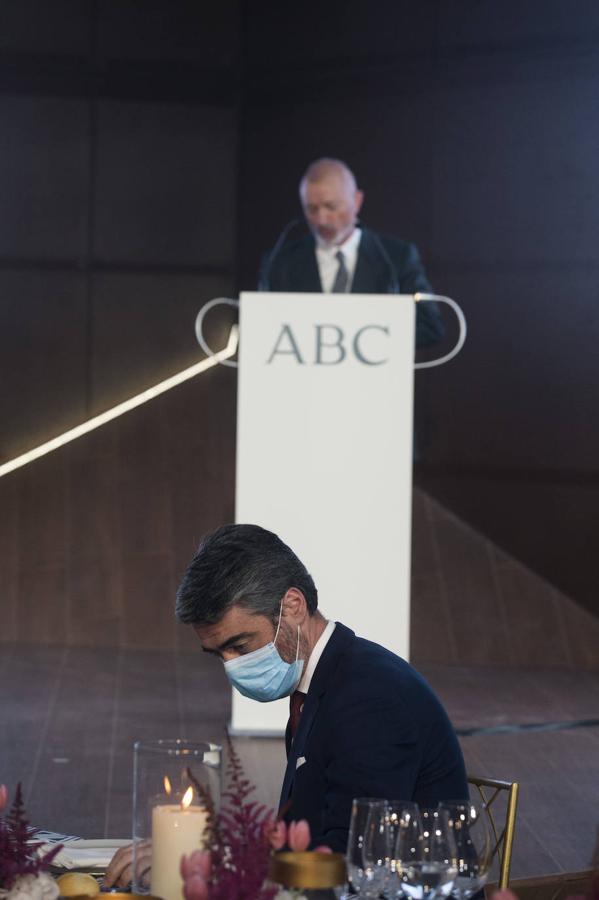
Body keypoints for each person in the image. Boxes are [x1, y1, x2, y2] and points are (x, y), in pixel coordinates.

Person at [175, 523, 467, 852]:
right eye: (219, 655)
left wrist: (214, 864)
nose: (231, 666)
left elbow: (355, 856)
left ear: (293, 607)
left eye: (240, 646)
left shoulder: (370, 698)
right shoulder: (324, 686)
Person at [259, 157, 444, 348]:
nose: (321, 219)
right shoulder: (281, 262)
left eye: (331, 206)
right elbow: (260, 329)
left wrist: (367, 338)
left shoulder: (396, 257)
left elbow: (429, 327)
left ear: (356, 201)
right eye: (312, 209)